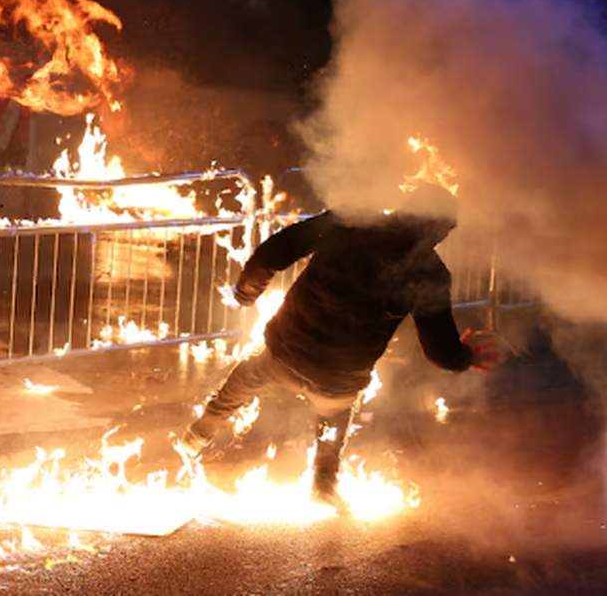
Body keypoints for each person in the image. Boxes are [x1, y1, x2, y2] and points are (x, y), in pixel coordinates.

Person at [178, 184, 499, 511]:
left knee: (247, 376)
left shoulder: (352, 219)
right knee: (335, 417)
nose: (444, 236)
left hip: (286, 350)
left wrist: (247, 292)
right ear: (433, 226)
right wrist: (465, 356)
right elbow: (440, 350)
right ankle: (323, 484)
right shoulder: (430, 274)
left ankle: (199, 433)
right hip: (339, 377)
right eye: (445, 228)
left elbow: (277, 250)